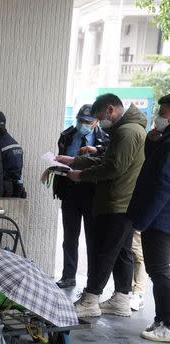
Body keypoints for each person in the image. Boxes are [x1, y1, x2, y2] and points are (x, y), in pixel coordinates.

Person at [58, 94, 147, 318]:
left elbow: (114, 167)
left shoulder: (127, 132)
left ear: (110, 110)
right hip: (124, 201)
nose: (99, 122)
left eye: (99, 117)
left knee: (103, 251)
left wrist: (81, 175)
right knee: (121, 252)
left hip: (117, 201)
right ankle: (121, 298)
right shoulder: (128, 129)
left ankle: (91, 299)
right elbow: (109, 160)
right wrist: (74, 161)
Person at [127, 94, 170, 342]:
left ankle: (167, 323)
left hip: (160, 218)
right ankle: (161, 319)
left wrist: (144, 220)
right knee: (159, 270)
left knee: (159, 271)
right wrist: (153, 141)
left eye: (163, 111)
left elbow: (163, 183)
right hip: (159, 217)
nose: (159, 116)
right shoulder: (164, 138)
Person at [53, 104, 109, 289]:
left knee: (93, 238)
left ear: (96, 122)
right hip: (70, 190)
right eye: (80, 120)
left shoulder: (105, 139)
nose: (82, 124)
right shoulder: (67, 135)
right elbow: (62, 158)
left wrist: (97, 150)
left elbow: (107, 164)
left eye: (87, 121)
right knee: (70, 237)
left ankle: (93, 282)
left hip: (92, 193)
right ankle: (68, 276)